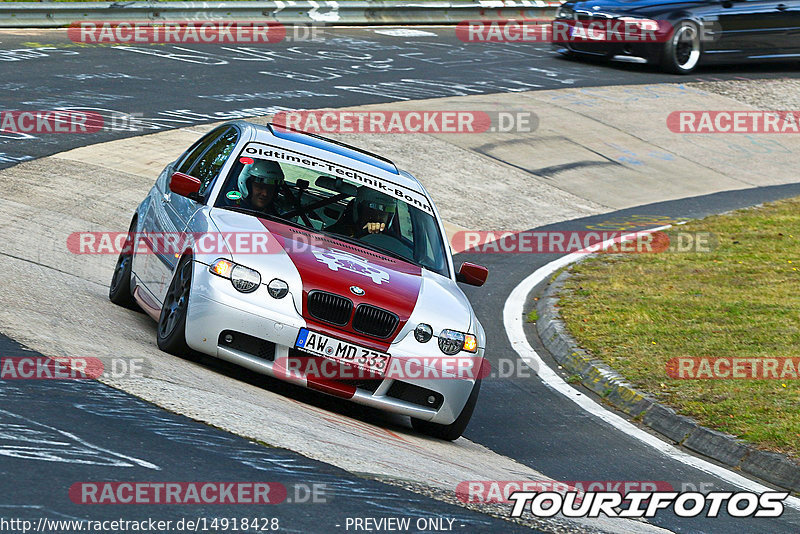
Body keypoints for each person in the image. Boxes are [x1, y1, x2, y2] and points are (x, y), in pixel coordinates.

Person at [327, 187, 397, 238]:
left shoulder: (391, 244)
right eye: (371, 210)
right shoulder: (335, 234)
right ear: (359, 210)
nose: (377, 217)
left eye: (383, 213)